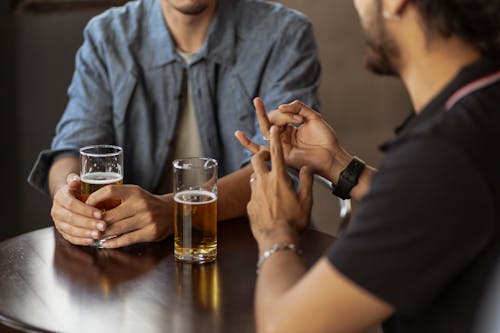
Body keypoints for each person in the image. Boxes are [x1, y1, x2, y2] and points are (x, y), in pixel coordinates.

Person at [235, 0, 500, 332]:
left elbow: (283, 327)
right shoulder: (480, 108)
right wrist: (338, 165)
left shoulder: (443, 153)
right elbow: (441, 209)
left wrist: (275, 232)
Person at [28, 0, 320, 247]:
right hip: (132, 258)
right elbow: (71, 149)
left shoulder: (285, 33)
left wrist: (177, 210)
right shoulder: (107, 35)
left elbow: (278, 166)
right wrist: (66, 198)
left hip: (255, 247)